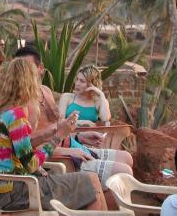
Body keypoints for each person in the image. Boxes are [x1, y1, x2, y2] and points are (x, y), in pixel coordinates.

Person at [0, 57, 107, 216]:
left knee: (90, 182)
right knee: (91, 185)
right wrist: (58, 136)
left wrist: (51, 132)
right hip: (19, 192)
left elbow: (22, 147)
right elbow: (31, 163)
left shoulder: (5, 111)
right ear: (28, 83)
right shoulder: (17, 116)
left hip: (8, 189)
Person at [38, 60, 134, 188]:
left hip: (82, 140)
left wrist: (100, 95)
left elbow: (105, 117)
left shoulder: (97, 101)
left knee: (127, 158)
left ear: (91, 84)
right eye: (77, 79)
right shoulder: (67, 97)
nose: (77, 83)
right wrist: (81, 122)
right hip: (73, 140)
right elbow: (60, 122)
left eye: (82, 81)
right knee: (124, 170)